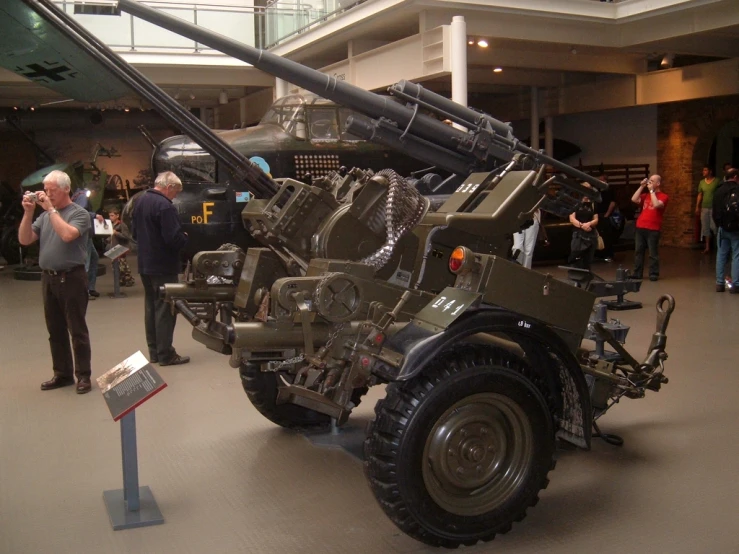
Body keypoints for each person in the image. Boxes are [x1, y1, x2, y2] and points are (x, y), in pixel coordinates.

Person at [18, 170, 93, 394]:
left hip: (72, 277)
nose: (48, 195)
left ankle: (83, 375)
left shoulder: (79, 214)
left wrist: (50, 210)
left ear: (66, 189)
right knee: (55, 329)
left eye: (52, 191)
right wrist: (29, 213)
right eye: (46, 191)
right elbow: (25, 239)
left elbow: (68, 235)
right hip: (49, 278)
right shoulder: (43, 217)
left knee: (77, 329)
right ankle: (62, 373)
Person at [132, 171, 190, 366]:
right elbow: (173, 238)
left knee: (151, 307)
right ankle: (166, 354)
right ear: (168, 187)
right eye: (176, 192)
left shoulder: (140, 201)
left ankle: (155, 352)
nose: (175, 196)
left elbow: (134, 232)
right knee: (166, 308)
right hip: (163, 265)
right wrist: (185, 237)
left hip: (145, 264)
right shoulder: (165, 207)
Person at [631, 175, 668, 281]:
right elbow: (634, 199)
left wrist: (652, 192)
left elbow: (656, 205)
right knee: (638, 251)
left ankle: (653, 273)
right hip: (640, 226)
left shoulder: (663, 196)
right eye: (649, 181)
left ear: (658, 184)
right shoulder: (645, 195)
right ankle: (637, 273)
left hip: (653, 228)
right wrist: (641, 187)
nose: (650, 183)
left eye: (652, 181)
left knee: (653, 253)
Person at [71, 188, 103, 299]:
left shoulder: (76, 195)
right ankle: (84, 291)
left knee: (94, 258)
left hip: (84, 234)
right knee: (87, 262)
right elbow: (81, 212)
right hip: (85, 234)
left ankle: (90, 287)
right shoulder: (83, 196)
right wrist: (95, 215)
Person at [712, 168, 739, 293]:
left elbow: (714, 210)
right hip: (736, 228)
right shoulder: (737, 190)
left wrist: (719, 225)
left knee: (721, 255)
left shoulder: (718, 190)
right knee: (736, 255)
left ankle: (719, 283)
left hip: (722, 228)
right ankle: (736, 284)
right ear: (735, 177)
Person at [568, 184, 598, 271]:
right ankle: (575, 280)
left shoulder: (593, 203)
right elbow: (572, 219)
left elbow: (596, 220)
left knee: (588, 260)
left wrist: (588, 224)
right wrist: (582, 225)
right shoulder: (574, 202)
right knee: (575, 257)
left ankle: (586, 278)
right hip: (578, 234)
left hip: (591, 235)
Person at [108, 206, 135, 287]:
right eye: (109, 216)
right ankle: (120, 279)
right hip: (114, 246)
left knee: (122, 265)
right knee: (115, 265)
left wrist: (117, 233)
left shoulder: (121, 225)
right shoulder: (112, 225)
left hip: (121, 247)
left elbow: (126, 236)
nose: (110, 217)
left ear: (117, 216)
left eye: (112, 215)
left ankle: (128, 279)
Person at [593, 172, 618, 261]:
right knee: (598, 235)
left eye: (601, 180)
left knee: (607, 235)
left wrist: (607, 214)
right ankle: (599, 254)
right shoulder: (597, 190)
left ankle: (608, 254)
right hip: (597, 215)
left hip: (606, 215)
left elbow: (612, 202)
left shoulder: (609, 190)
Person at [695, 165, 719, 254]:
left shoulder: (717, 181)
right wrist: (697, 206)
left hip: (713, 207)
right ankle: (707, 247)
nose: (703, 172)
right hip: (704, 207)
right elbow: (700, 194)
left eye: (705, 170)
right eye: (703, 170)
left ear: (710, 171)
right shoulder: (702, 182)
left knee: (714, 227)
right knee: (705, 227)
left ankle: (719, 246)